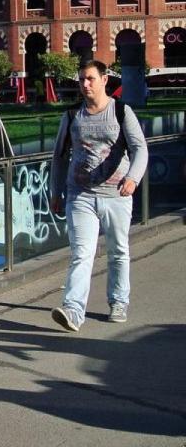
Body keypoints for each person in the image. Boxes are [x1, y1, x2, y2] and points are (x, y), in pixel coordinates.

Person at [49, 60, 148, 332]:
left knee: (118, 250)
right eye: (81, 79)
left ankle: (118, 301)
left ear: (104, 80)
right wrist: (55, 191)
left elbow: (140, 149)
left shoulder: (121, 111)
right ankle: (73, 310)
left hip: (116, 195)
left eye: (90, 78)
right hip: (79, 195)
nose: (85, 84)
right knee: (81, 253)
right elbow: (58, 157)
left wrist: (133, 178)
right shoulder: (72, 116)